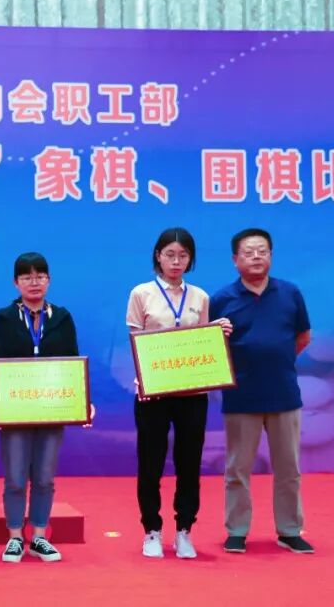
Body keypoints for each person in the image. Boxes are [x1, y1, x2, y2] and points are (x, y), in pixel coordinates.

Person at [126, 228, 231, 560]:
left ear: (190, 259)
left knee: (189, 463)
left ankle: (185, 530)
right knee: (151, 463)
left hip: (191, 393)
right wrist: (145, 381)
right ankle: (152, 530)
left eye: (183, 256)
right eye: (169, 255)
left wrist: (219, 332)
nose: (176, 261)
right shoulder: (141, 293)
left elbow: (202, 342)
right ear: (158, 256)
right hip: (153, 394)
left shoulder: (200, 297)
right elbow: (135, 341)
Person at [209, 228, 314, 555]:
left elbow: (303, 337)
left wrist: (274, 359)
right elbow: (210, 347)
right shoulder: (221, 299)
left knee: (289, 469)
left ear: (271, 255)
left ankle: (289, 530)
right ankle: (237, 530)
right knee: (237, 469)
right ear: (235, 259)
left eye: (262, 251)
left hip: (284, 394)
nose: (256, 257)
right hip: (241, 397)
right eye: (248, 252)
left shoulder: (290, 293)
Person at [0, 252, 84, 563]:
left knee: (44, 477)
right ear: (16, 282)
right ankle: (15, 537)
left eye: (40, 276)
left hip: (51, 408)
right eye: (27, 277)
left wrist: (81, 400)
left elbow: (73, 362)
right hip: (15, 409)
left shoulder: (62, 317)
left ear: (49, 280)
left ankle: (40, 536)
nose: (34, 282)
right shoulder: (4, 317)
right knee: (16, 477)